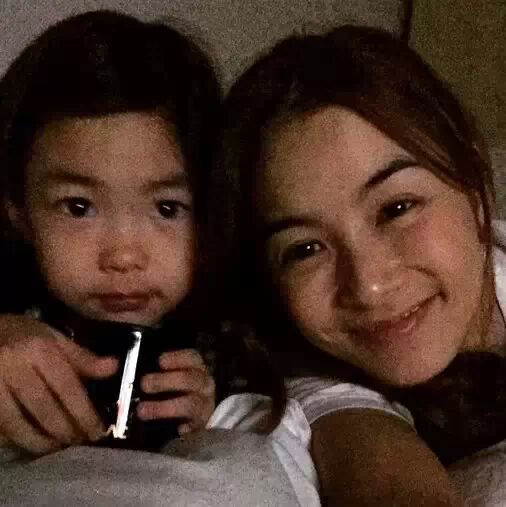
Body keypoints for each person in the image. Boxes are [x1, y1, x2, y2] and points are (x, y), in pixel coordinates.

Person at [209, 25, 506, 505]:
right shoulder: (321, 386)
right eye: (305, 249)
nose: (368, 285)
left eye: (396, 209)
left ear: (476, 190)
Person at [0, 10, 220, 457]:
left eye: (167, 208)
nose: (122, 256)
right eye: (78, 207)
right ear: (19, 213)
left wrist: (211, 417)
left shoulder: (231, 346)